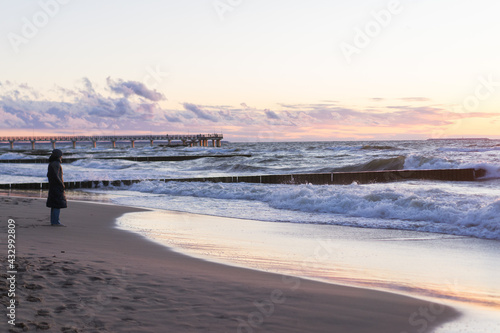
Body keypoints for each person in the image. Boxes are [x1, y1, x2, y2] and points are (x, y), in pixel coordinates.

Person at [46, 149, 67, 226]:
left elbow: (49, 175)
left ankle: (54, 221)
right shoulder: (56, 164)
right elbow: (56, 176)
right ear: (58, 155)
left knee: (54, 204)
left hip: (53, 185)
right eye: (61, 155)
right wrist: (61, 185)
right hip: (56, 186)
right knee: (57, 204)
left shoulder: (52, 163)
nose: (61, 156)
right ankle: (55, 222)